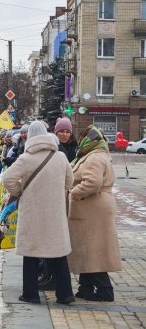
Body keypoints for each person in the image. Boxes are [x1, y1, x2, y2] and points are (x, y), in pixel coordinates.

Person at [2, 121, 75, 305]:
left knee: (31, 252)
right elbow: (70, 181)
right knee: (58, 252)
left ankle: (30, 294)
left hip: (32, 211)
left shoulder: (26, 158)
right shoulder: (60, 156)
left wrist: (20, 191)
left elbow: (8, 178)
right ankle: (65, 294)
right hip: (55, 212)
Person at [67, 125, 121, 302]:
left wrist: (73, 192)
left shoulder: (94, 157)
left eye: (82, 137)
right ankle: (86, 288)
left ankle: (105, 290)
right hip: (92, 208)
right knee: (86, 249)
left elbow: (92, 183)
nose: (80, 140)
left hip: (93, 208)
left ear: (89, 139)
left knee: (93, 250)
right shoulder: (93, 155)